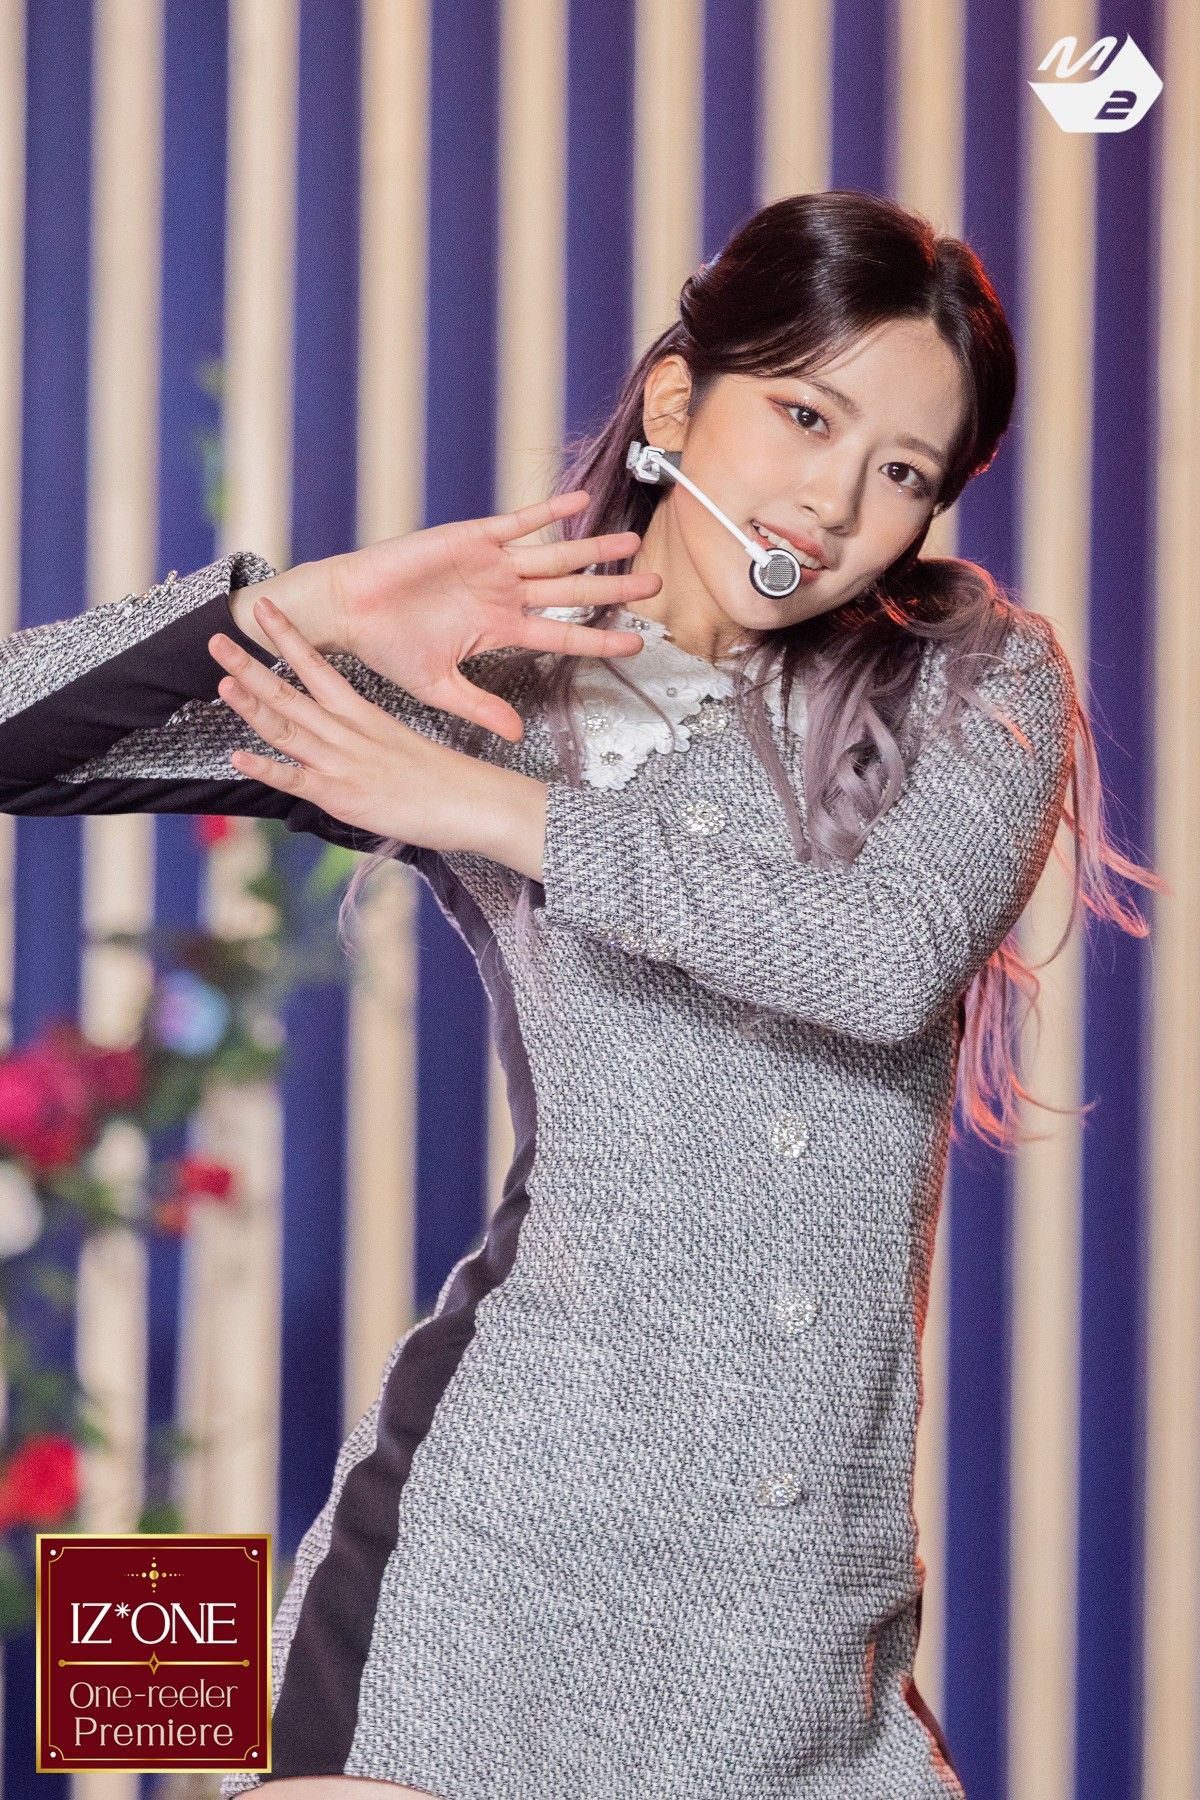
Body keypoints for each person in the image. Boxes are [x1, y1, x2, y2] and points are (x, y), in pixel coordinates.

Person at [0, 190, 1158, 1799]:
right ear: (679, 402)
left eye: (905, 472)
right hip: (480, 1593)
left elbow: (879, 961)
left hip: (800, 1656)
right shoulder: (492, 681)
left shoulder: (973, 676)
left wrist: (491, 810)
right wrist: (304, 608)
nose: (835, 503)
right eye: (805, 416)